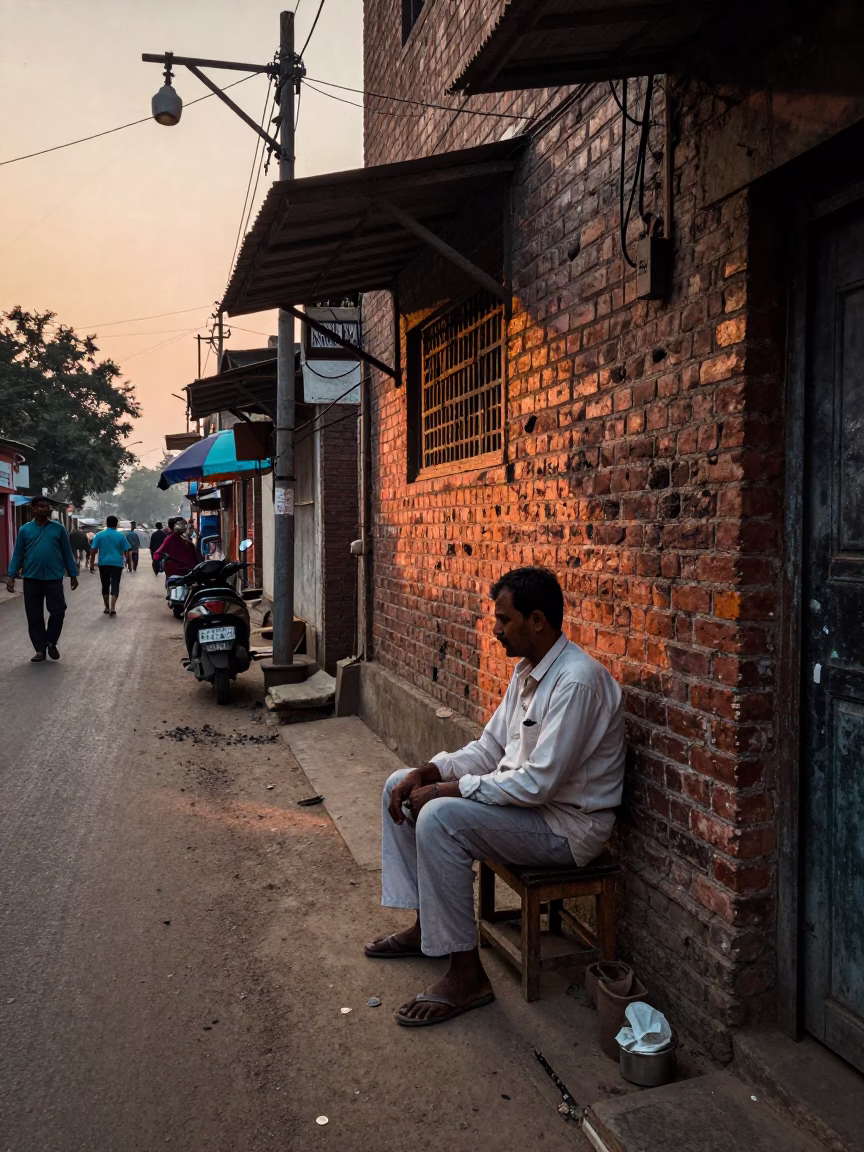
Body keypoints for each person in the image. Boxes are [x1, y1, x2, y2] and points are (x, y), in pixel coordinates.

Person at [366, 567, 625, 1027]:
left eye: (505, 620)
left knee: (439, 817)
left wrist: (448, 788)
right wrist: (429, 770)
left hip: (565, 829)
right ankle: (429, 927)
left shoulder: (577, 683)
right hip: (528, 815)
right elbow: (489, 750)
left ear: (538, 621)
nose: (496, 628)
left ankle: (467, 976)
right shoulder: (527, 672)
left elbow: (537, 785)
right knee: (398, 783)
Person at [6, 496, 79, 662]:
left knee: (58, 611)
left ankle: (51, 641)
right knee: (34, 615)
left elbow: (66, 552)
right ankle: (40, 649)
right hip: (31, 578)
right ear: (34, 509)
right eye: (41, 507)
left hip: (53, 577)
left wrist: (73, 574)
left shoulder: (58, 529)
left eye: (47, 506)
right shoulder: (25, 530)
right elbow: (18, 554)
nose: (45, 509)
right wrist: (11, 576)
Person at [90, 515, 129, 616]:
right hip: (117, 563)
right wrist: (127, 562)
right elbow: (126, 550)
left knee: (105, 585)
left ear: (106, 523)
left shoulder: (99, 535)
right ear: (116, 524)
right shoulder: (121, 536)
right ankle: (113, 608)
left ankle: (106, 607)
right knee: (115, 585)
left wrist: (91, 564)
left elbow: (93, 551)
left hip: (103, 563)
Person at [152, 516, 201, 581]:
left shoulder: (171, 538)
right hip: (189, 571)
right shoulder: (183, 539)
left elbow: (156, 555)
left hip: (177, 572)